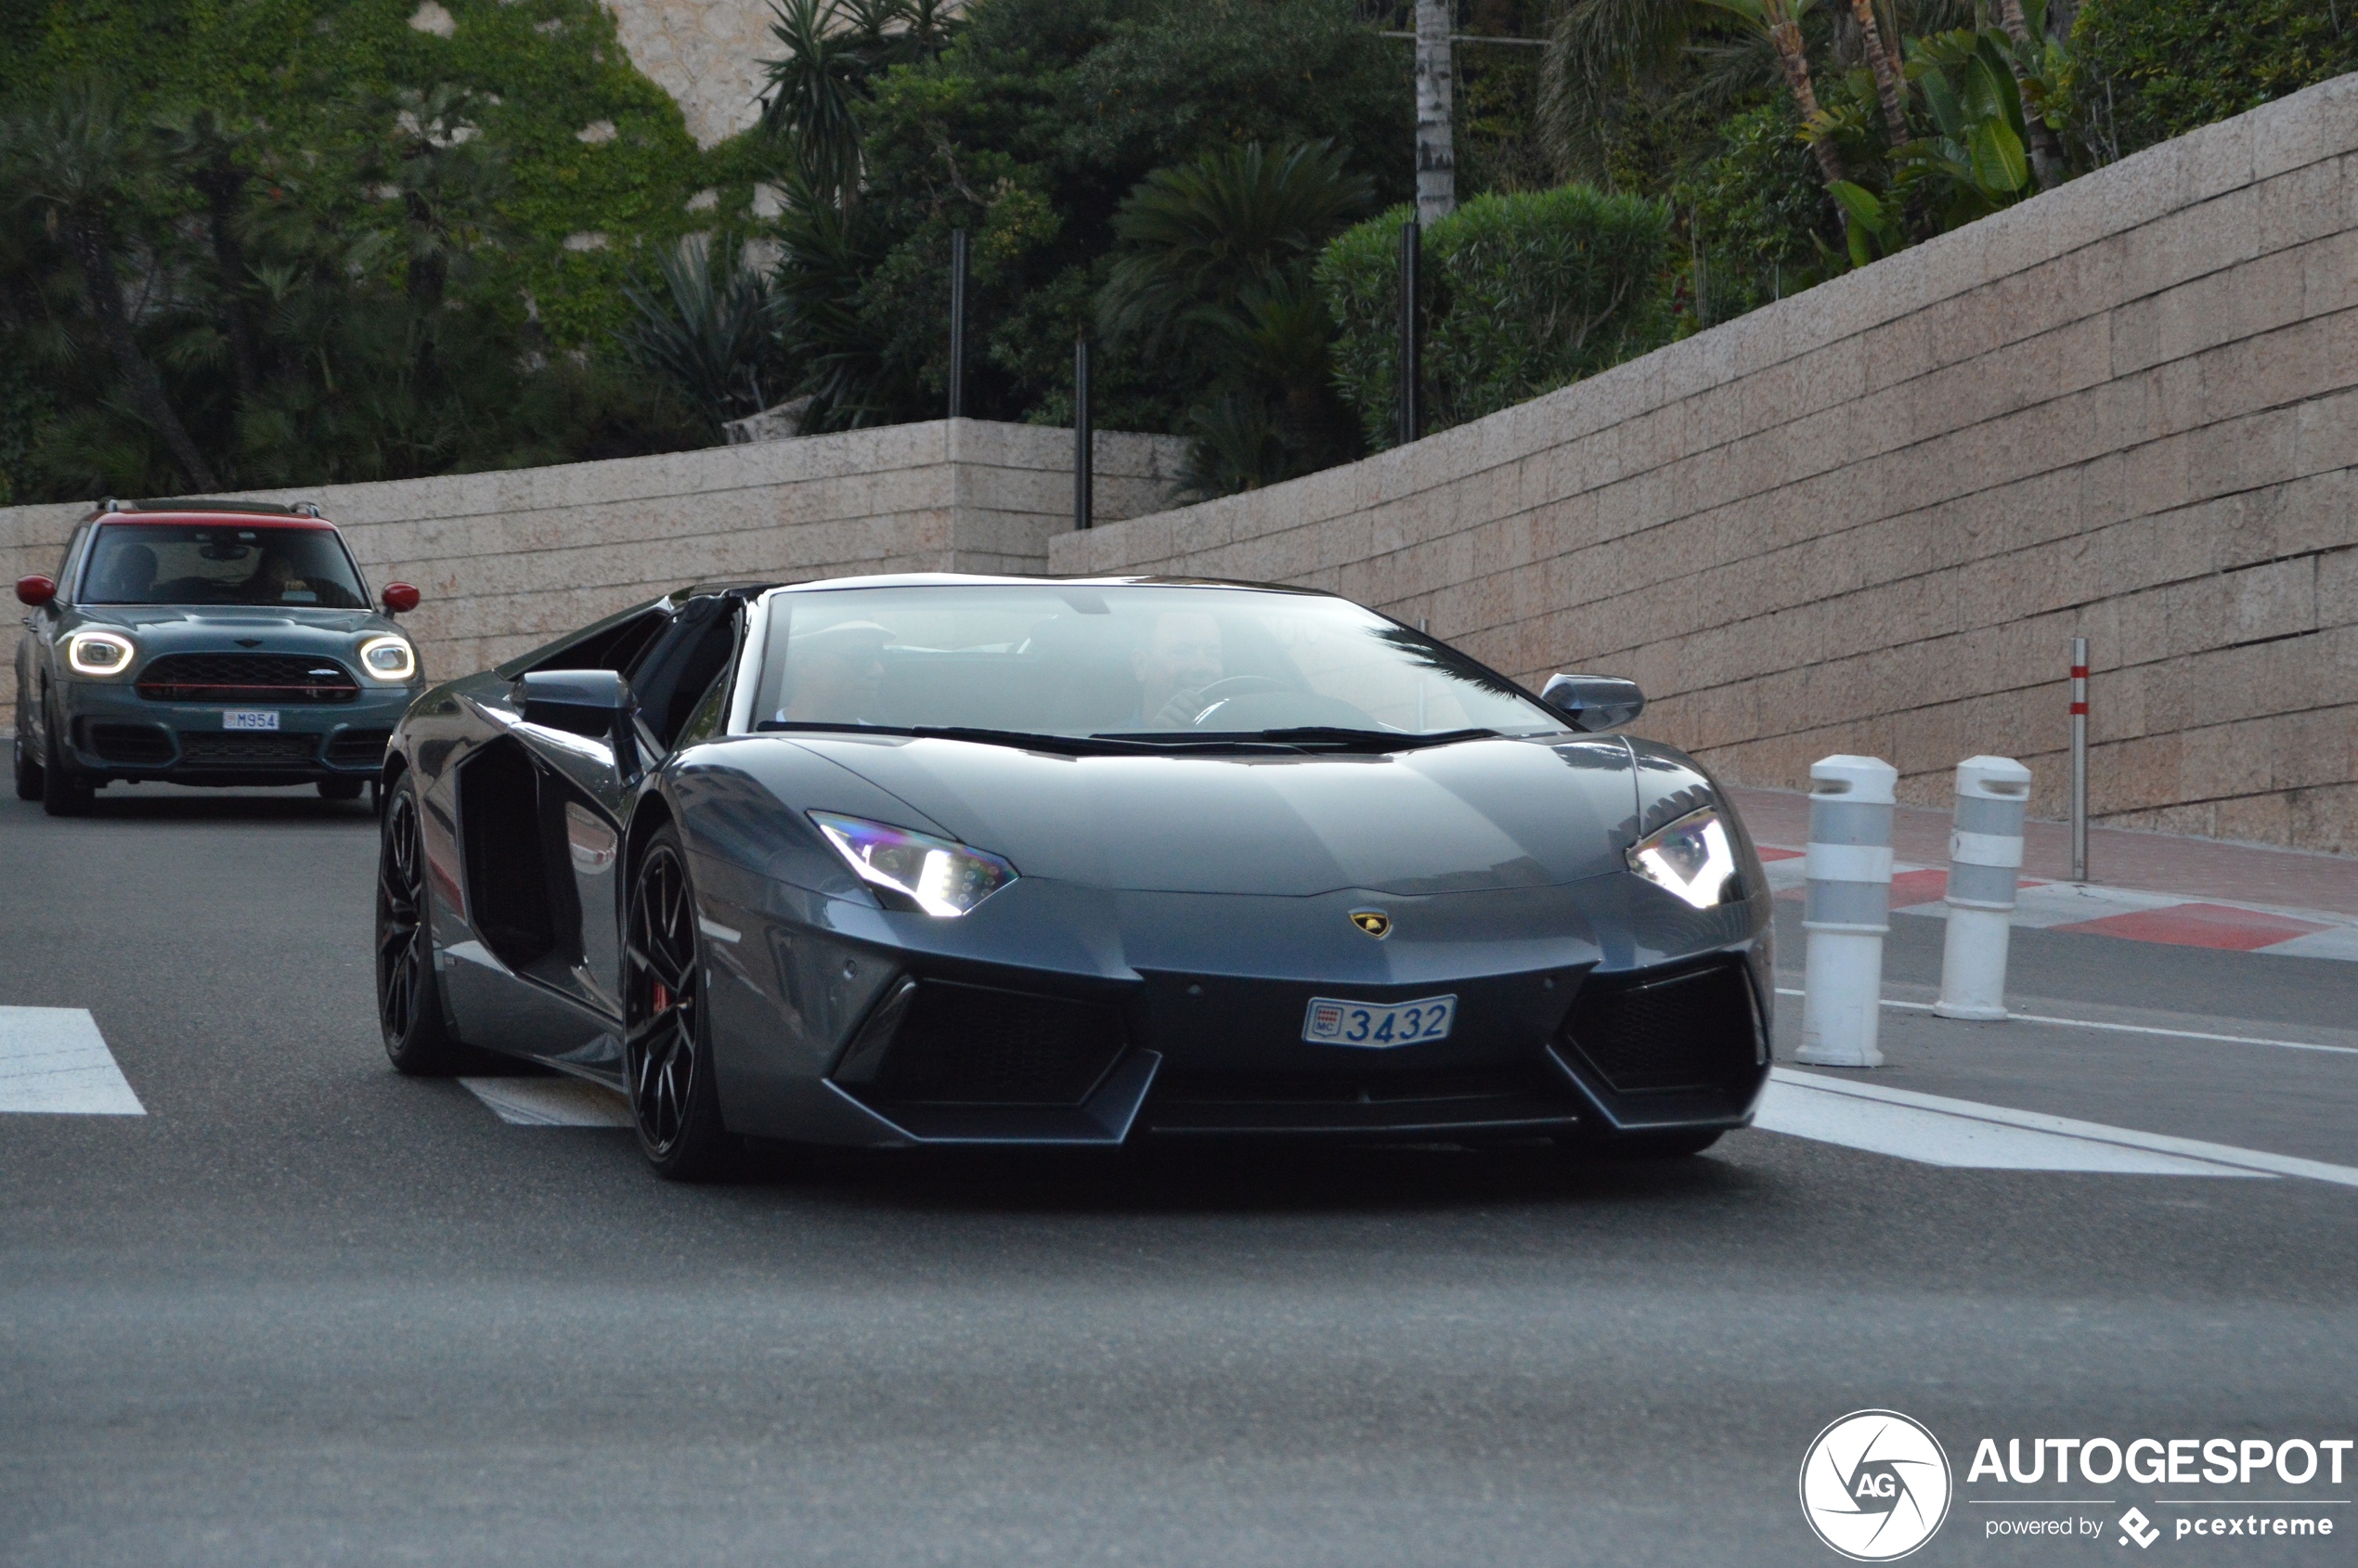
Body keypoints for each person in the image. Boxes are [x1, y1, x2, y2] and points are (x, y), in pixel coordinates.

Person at [772, 620, 891, 724]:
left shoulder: (889, 745)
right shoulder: (759, 743)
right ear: (804, 662)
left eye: (881, 656)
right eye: (861, 655)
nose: (879, 671)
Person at [1130, 610, 1223, 729]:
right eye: (1182, 652)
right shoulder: (1108, 744)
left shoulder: (1247, 734)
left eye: (1213, 654)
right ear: (1140, 665)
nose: (1201, 667)